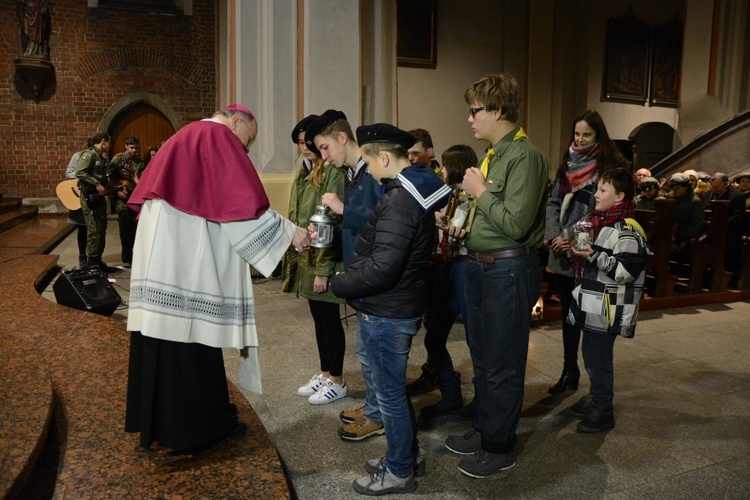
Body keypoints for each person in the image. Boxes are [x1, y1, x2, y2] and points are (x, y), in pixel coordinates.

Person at [124, 104, 311, 454]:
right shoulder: (216, 135)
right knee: (190, 335)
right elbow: (240, 210)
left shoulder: (188, 135)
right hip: (183, 262)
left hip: (164, 256)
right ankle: (196, 429)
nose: (247, 149)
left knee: (166, 338)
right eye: (249, 139)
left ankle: (167, 423)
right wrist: (290, 233)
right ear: (236, 121)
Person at [330, 123, 451, 495]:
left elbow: (384, 267)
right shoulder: (403, 190)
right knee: (391, 392)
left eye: (367, 158)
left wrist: (341, 283)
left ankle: (399, 470)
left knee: (389, 395)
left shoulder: (400, 199)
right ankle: (406, 456)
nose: (364, 165)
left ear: (383, 157)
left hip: (388, 311)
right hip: (394, 306)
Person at [444, 73, 547, 479]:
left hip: (508, 269)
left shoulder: (524, 156)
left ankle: (500, 446)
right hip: (481, 266)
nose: (470, 119)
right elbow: (493, 216)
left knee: (503, 363)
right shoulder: (496, 155)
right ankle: (487, 428)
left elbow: (518, 224)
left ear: (498, 111)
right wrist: (463, 224)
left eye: (475, 110)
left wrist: (480, 190)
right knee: (484, 359)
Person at [305, 110, 385, 442]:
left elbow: (384, 219)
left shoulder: (373, 174)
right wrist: (325, 235)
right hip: (359, 272)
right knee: (366, 352)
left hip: (375, 274)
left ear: (342, 138)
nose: (323, 156)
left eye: (325, 147)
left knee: (375, 352)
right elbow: (355, 229)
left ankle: (378, 415)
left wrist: (342, 209)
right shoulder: (353, 174)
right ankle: (373, 407)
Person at [544, 110, 630, 396]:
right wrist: (556, 236)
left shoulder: (612, 165)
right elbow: (553, 203)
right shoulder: (567, 163)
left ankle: (598, 392)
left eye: (587, 135)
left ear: (599, 136)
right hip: (563, 252)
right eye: (577, 134)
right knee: (569, 314)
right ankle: (570, 370)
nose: (580, 139)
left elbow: (605, 211)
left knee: (593, 322)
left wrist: (573, 239)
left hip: (591, 251)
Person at [567, 168, 650, 432]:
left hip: (609, 308)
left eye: (603, 190)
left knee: (597, 358)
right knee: (590, 353)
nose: (596, 194)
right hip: (595, 303)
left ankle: (604, 408)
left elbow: (625, 272)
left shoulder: (628, 229)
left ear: (620, 196)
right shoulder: (599, 221)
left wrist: (592, 255)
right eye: (597, 188)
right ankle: (596, 397)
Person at [282, 115, 348, 405]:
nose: (305, 147)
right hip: (308, 255)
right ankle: (325, 372)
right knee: (319, 319)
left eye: (308, 142)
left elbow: (328, 220)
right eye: (299, 143)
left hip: (325, 257)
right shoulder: (305, 169)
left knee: (330, 319)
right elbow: (298, 213)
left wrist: (323, 270)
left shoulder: (331, 171)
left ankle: (337, 379)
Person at [418, 145, 478, 420]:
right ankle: (451, 395)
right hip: (452, 266)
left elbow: (461, 234)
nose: (440, 170)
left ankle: (482, 401)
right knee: (434, 337)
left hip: (465, 266)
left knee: (475, 340)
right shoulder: (450, 194)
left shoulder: (471, 197)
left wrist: (443, 224)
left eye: (444, 165)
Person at [76, 132, 120, 274]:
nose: (110, 145)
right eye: (109, 142)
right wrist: (96, 183)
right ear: (103, 141)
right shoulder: (89, 154)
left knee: (101, 230)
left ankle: (98, 262)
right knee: (94, 231)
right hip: (89, 197)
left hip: (98, 197)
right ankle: (91, 265)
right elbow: (80, 172)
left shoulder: (101, 158)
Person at [107, 136, 145, 265]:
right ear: (126, 146)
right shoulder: (118, 159)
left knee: (134, 228)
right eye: (132, 148)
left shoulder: (139, 163)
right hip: (121, 198)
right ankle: (126, 252)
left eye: (137, 148)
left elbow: (143, 179)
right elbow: (109, 176)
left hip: (134, 197)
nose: (134, 150)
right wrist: (116, 190)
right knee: (124, 226)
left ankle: (132, 252)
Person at [65, 138, 91, 267]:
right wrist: (82, 174)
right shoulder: (77, 156)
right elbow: (68, 173)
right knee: (82, 227)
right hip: (79, 193)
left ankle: (94, 255)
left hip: (92, 195)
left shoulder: (100, 159)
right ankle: (82, 255)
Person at [666, 172, 705, 259]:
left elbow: (696, 224)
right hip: (669, 232)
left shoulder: (695, 202)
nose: (674, 190)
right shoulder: (670, 196)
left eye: (677, 188)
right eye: (673, 188)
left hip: (683, 237)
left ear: (685, 187)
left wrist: (677, 237)